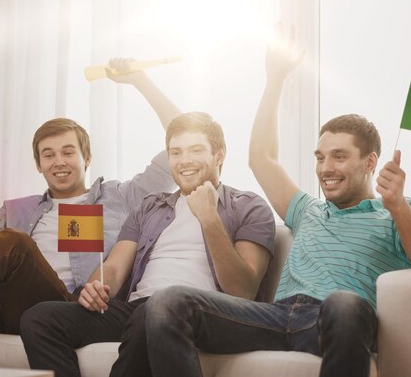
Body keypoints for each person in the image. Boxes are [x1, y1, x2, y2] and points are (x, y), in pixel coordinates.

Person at [139, 24, 411, 377]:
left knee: (344, 303)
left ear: (370, 162)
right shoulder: (308, 209)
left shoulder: (396, 211)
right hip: (276, 316)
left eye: (339, 157)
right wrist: (275, 80)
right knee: (166, 303)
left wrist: (398, 205)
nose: (326, 168)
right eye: (320, 157)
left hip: (334, 320)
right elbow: (262, 159)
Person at [0, 59, 181, 335]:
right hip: (12, 303)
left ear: (87, 158)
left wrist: (142, 81)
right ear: (38, 164)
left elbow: (181, 142)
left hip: (73, 307)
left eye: (68, 152)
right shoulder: (19, 209)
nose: (59, 161)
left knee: (16, 244)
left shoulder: (121, 196)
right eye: (48, 154)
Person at [20, 112, 276, 377]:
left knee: (156, 310)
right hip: (138, 308)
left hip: (201, 312)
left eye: (196, 150)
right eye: (176, 152)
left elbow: (242, 291)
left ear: (219, 155)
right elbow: (116, 268)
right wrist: (96, 287)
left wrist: (210, 218)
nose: (184, 160)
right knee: (39, 318)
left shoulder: (249, 206)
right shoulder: (149, 207)